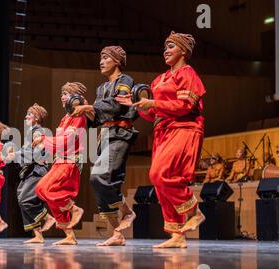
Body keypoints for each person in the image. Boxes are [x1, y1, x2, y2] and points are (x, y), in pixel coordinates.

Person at [116, 31, 206, 248]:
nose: (166, 51)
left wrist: (154, 104)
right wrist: (137, 105)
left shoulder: (187, 73)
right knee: (159, 181)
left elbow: (186, 106)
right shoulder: (160, 79)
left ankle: (194, 210)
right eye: (165, 47)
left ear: (184, 51)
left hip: (184, 128)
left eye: (171, 46)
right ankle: (177, 235)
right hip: (162, 131)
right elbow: (153, 113)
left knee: (160, 174)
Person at [72, 46, 139, 246]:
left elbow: (117, 105)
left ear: (116, 61)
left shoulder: (125, 81)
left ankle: (127, 211)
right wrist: (85, 111)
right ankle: (118, 234)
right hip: (105, 135)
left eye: (105, 58)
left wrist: (90, 107)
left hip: (120, 134)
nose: (101, 62)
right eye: (100, 58)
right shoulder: (100, 88)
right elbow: (97, 117)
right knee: (101, 182)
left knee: (98, 176)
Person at [33, 82, 87, 245]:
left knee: (43, 188)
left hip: (70, 160)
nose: (62, 96)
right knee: (50, 196)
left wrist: (44, 139)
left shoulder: (77, 116)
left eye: (66, 93)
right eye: (62, 93)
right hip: (61, 160)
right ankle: (69, 236)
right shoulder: (66, 118)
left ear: (76, 97)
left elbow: (68, 140)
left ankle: (74, 208)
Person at [6, 103, 55, 244]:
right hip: (30, 170)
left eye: (29, 114)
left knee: (25, 199)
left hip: (37, 170)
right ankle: (38, 236)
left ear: (37, 117)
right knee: (23, 198)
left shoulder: (38, 132)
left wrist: (15, 155)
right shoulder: (31, 132)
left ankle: (48, 218)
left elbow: (35, 153)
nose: (26, 116)